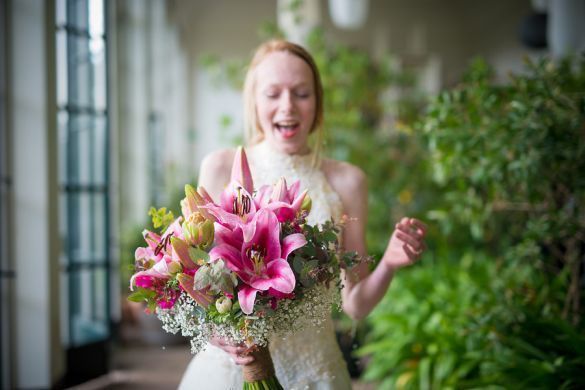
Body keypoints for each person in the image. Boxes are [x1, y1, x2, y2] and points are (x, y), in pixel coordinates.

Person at [179, 39, 427, 390]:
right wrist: (215, 332)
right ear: (254, 101)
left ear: (318, 102)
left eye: (301, 93)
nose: (288, 107)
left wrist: (389, 262)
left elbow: (354, 305)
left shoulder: (348, 181)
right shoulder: (220, 167)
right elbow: (195, 279)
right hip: (233, 370)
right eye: (273, 93)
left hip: (313, 371)